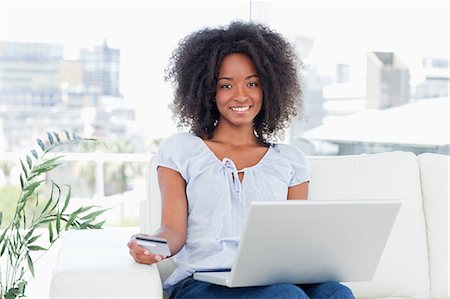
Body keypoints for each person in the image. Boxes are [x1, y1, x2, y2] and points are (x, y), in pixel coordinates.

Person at [128, 21, 355, 299]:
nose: (240, 95)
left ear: (269, 88)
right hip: (202, 282)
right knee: (284, 296)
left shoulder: (290, 160)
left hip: (270, 278)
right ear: (208, 91)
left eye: (252, 83)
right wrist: (152, 246)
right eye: (226, 85)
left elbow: (295, 239)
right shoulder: (181, 150)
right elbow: (173, 230)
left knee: (336, 292)